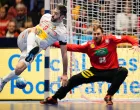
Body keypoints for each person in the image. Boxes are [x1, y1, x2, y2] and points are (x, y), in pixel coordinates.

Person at [40, 25, 139, 105]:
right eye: (94, 34)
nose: (96, 36)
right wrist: (53, 44)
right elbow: (72, 47)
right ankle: (54, 98)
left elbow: (126, 38)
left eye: (98, 34)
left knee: (123, 71)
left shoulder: (111, 39)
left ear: (102, 34)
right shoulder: (89, 45)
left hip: (111, 71)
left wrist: (135, 44)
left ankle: (109, 95)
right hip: (95, 72)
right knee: (74, 79)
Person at [0, 4, 68, 92]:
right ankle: (29, 51)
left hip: (35, 47)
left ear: (62, 17)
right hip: (25, 38)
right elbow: (37, 28)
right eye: (53, 12)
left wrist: (65, 73)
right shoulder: (46, 16)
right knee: (33, 29)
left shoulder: (62, 32)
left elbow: (64, 53)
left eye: (56, 14)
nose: (53, 15)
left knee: (19, 69)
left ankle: (3, 81)